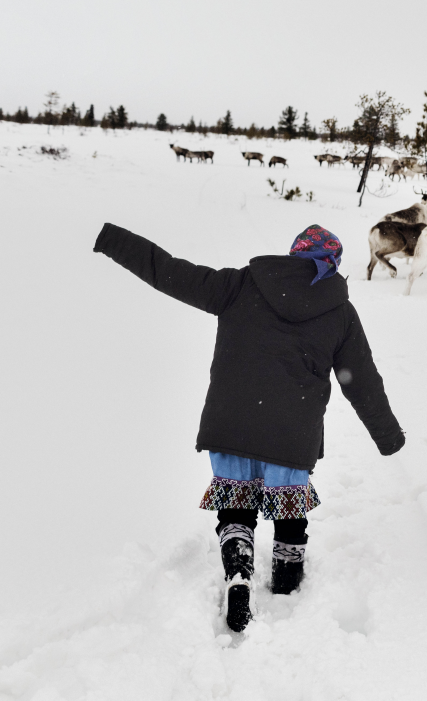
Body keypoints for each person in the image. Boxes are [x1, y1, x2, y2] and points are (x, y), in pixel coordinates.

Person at [93, 222, 404, 631]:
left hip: (232, 422)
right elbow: (360, 381)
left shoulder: (240, 285)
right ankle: (287, 587)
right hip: (291, 435)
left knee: (236, 506)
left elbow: (168, 271)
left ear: (294, 256)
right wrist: (387, 436)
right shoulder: (341, 314)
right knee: (289, 511)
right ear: (332, 264)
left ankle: (238, 571)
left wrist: (114, 239)